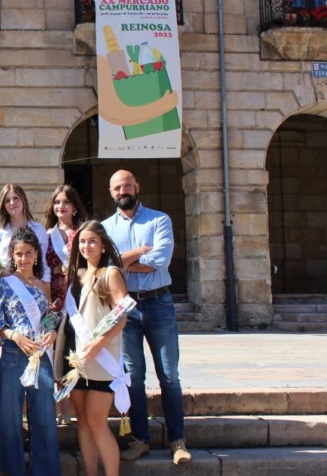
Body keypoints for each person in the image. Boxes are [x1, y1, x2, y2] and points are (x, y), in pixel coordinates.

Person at [101, 169, 192, 465]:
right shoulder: (104, 228)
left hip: (159, 304)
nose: (122, 191)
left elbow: (160, 261)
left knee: (169, 375)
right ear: (111, 192)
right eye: (117, 187)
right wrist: (139, 253)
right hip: (126, 308)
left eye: (127, 185)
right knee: (134, 377)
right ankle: (140, 439)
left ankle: (178, 440)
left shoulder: (159, 220)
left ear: (137, 186)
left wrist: (122, 261)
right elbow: (105, 264)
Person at [0, 227, 60, 476]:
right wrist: (15, 336)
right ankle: (10, 470)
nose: (24, 258)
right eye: (19, 253)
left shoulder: (44, 285)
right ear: (12, 255)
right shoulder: (3, 283)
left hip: (40, 355)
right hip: (12, 354)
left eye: (29, 253)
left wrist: (53, 331)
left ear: (37, 254)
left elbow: (49, 317)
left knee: (44, 416)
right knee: (10, 416)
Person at [64, 220, 129, 476]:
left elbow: (122, 315)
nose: (86, 246)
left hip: (102, 359)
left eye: (92, 241)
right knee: (83, 421)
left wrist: (99, 343)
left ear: (103, 245)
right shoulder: (77, 275)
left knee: (96, 422)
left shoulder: (110, 273)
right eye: (82, 241)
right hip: (78, 361)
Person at [44, 184, 89, 426]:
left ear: (74, 206)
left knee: (75, 352)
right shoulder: (47, 234)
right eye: (57, 202)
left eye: (66, 202)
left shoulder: (83, 232)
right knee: (56, 354)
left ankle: (78, 404)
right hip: (54, 298)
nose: (61, 206)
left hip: (79, 298)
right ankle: (61, 407)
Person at [0, 184, 51, 283]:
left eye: (16, 198)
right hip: (5, 284)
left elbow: (41, 261)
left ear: (23, 200)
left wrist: (44, 286)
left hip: (32, 284)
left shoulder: (38, 229)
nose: (12, 203)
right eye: (7, 200)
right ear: (3, 205)